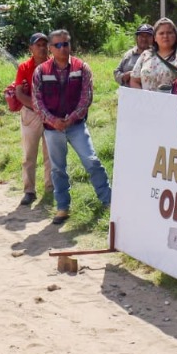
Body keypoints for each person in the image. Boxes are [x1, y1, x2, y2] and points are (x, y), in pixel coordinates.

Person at [32, 30, 112, 222]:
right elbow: (37, 102)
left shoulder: (82, 68)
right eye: (57, 45)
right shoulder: (41, 71)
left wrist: (70, 119)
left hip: (76, 126)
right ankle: (62, 207)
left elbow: (86, 98)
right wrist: (53, 121)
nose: (62, 48)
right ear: (50, 49)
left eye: (65, 44)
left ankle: (109, 201)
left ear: (70, 45)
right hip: (52, 129)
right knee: (58, 169)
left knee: (91, 161)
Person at [13, 33, 53, 206]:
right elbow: (19, 92)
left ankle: (50, 190)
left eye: (45, 44)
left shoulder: (55, 64)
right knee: (29, 154)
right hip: (31, 114)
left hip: (51, 114)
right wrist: (37, 107)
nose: (42, 47)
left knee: (50, 154)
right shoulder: (24, 67)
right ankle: (29, 191)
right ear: (31, 48)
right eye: (38, 45)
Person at [129, 18, 177, 93]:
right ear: (155, 38)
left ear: (175, 36)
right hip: (147, 102)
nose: (165, 36)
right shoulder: (146, 55)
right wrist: (143, 98)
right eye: (161, 33)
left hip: (173, 102)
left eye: (169, 33)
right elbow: (134, 80)